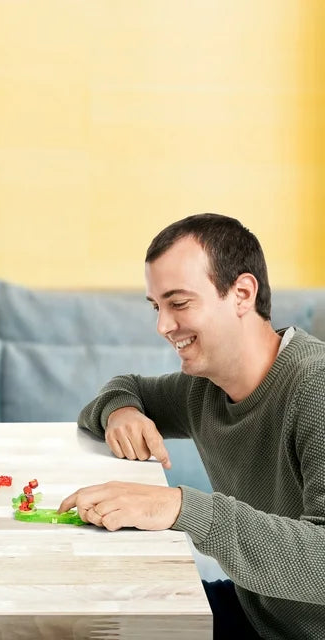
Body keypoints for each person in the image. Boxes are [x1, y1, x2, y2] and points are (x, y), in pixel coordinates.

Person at [58, 214, 325, 640]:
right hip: (256, 614)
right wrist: (122, 411)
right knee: (90, 616)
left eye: (178, 304)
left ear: (242, 294)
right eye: (156, 307)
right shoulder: (204, 388)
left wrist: (182, 508)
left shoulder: (315, 388)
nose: (162, 326)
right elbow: (126, 388)